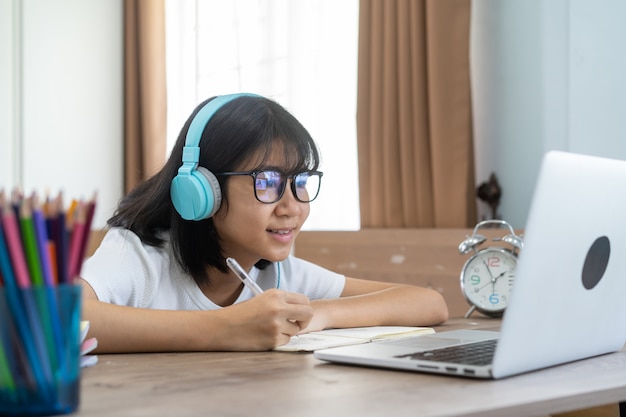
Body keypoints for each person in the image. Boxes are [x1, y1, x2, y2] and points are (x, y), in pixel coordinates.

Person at [80, 93, 448, 353]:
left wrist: (318, 314)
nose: (292, 207)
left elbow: (428, 303)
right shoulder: (140, 257)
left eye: (300, 182)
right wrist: (229, 329)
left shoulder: (278, 275)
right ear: (201, 190)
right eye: (267, 182)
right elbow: (58, 318)